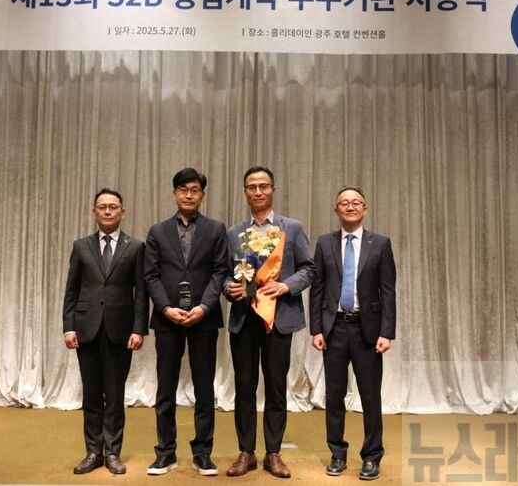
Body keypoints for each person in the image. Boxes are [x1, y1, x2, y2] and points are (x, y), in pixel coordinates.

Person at [224, 166, 315, 479]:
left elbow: (309, 269)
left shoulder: (293, 228)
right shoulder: (234, 233)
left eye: (263, 186)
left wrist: (285, 286)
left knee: (276, 386)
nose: (258, 191)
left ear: (273, 190)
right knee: (244, 386)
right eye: (252, 187)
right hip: (244, 318)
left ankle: (273, 453)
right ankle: (246, 452)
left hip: (279, 317)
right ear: (245, 192)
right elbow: (224, 274)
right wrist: (229, 288)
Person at [144, 168, 228, 476]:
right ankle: (165, 452)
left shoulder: (216, 229)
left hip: (204, 319)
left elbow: (220, 271)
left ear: (202, 195)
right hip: (167, 320)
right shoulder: (157, 231)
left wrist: (204, 307)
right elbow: (151, 275)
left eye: (194, 190)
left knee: (204, 387)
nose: (188, 195)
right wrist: (166, 308)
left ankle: (203, 452)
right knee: (165, 387)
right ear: (174, 194)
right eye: (183, 189)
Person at [309, 186, 396, 481]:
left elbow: (388, 291)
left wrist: (386, 332)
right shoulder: (325, 243)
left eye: (355, 202)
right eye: (344, 203)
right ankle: (337, 453)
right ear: (336, 210)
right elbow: (317, 289)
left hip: (367, 330)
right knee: (334, 396)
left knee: (370, 397)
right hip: (334, 329)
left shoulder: (380, 244)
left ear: (365, 209)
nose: (350, 207)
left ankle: (372, 456)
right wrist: (317, 328)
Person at [63, 188, 148, 476]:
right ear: (94, 212)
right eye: (102, 207)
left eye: (113, 207)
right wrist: (68, 327)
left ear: (122, 212)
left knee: (114, 394)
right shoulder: (81, 247)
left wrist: (139, 329)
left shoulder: (135, 247)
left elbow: (141, 293)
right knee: (91, 394)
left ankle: (112, 452)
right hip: (86, 329)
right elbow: (71, 291)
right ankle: (92, 452)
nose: (108, 211)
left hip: (120, 331)